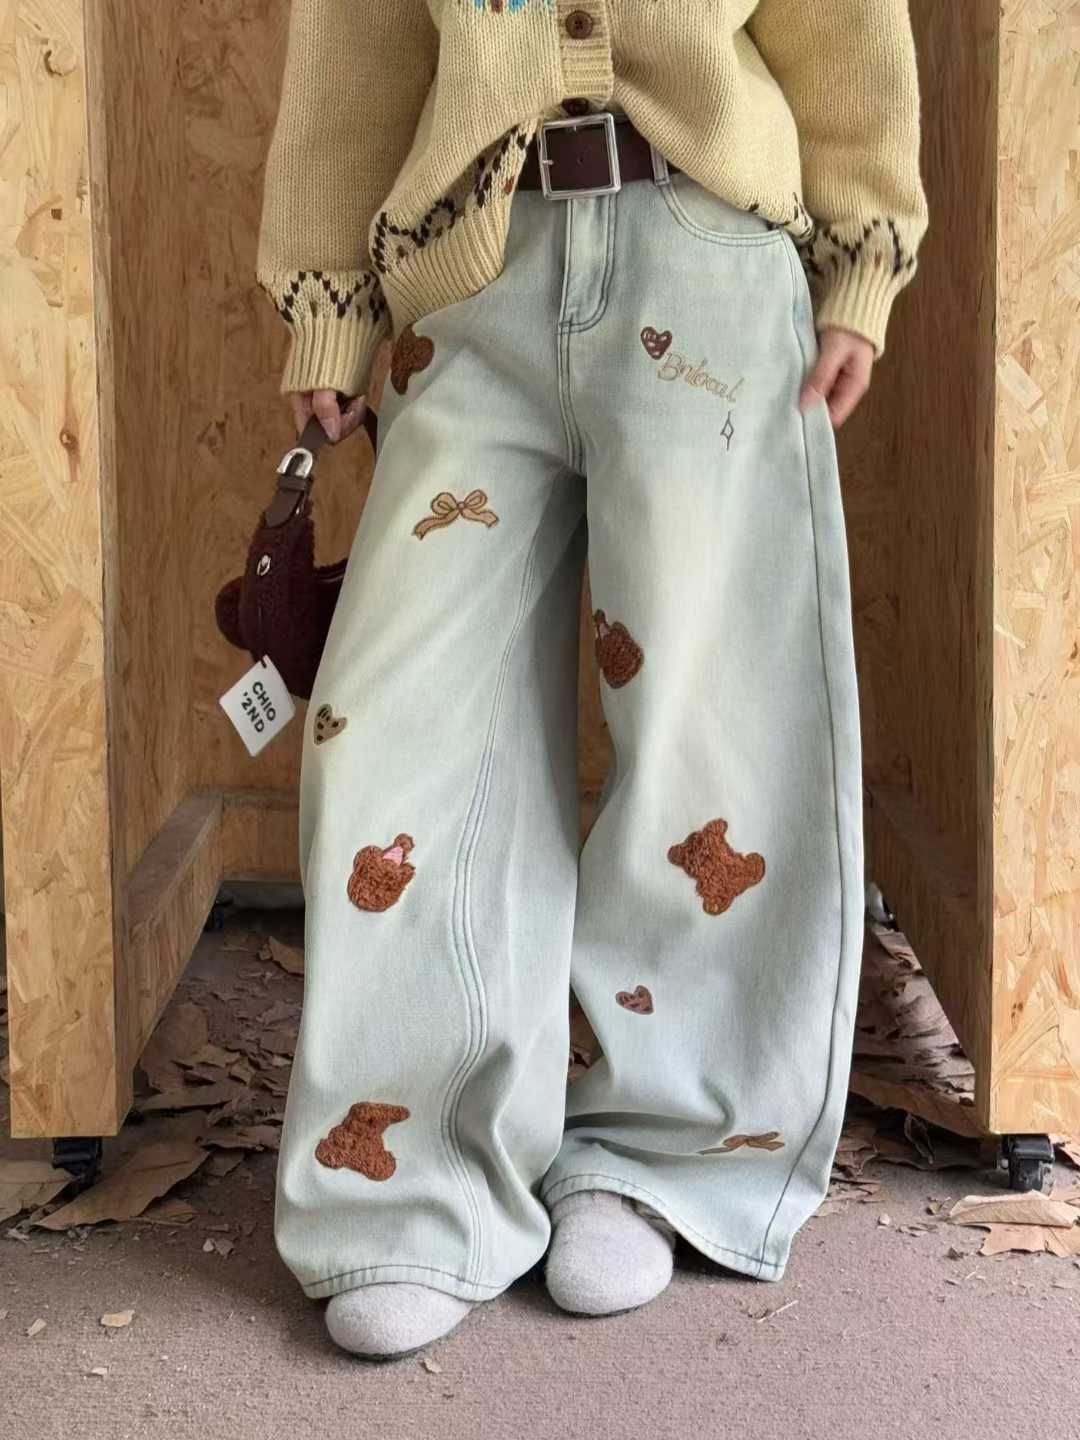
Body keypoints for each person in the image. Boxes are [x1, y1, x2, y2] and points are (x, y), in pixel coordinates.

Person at [255, 0, 928, 1360]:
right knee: (397, 727)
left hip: (710, 257)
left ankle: (666, 1152)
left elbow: (844, 27)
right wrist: (329, 303)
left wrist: (859, 261)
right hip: (471, 275)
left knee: (709, 726)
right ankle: (413, 1183)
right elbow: (355, 46)